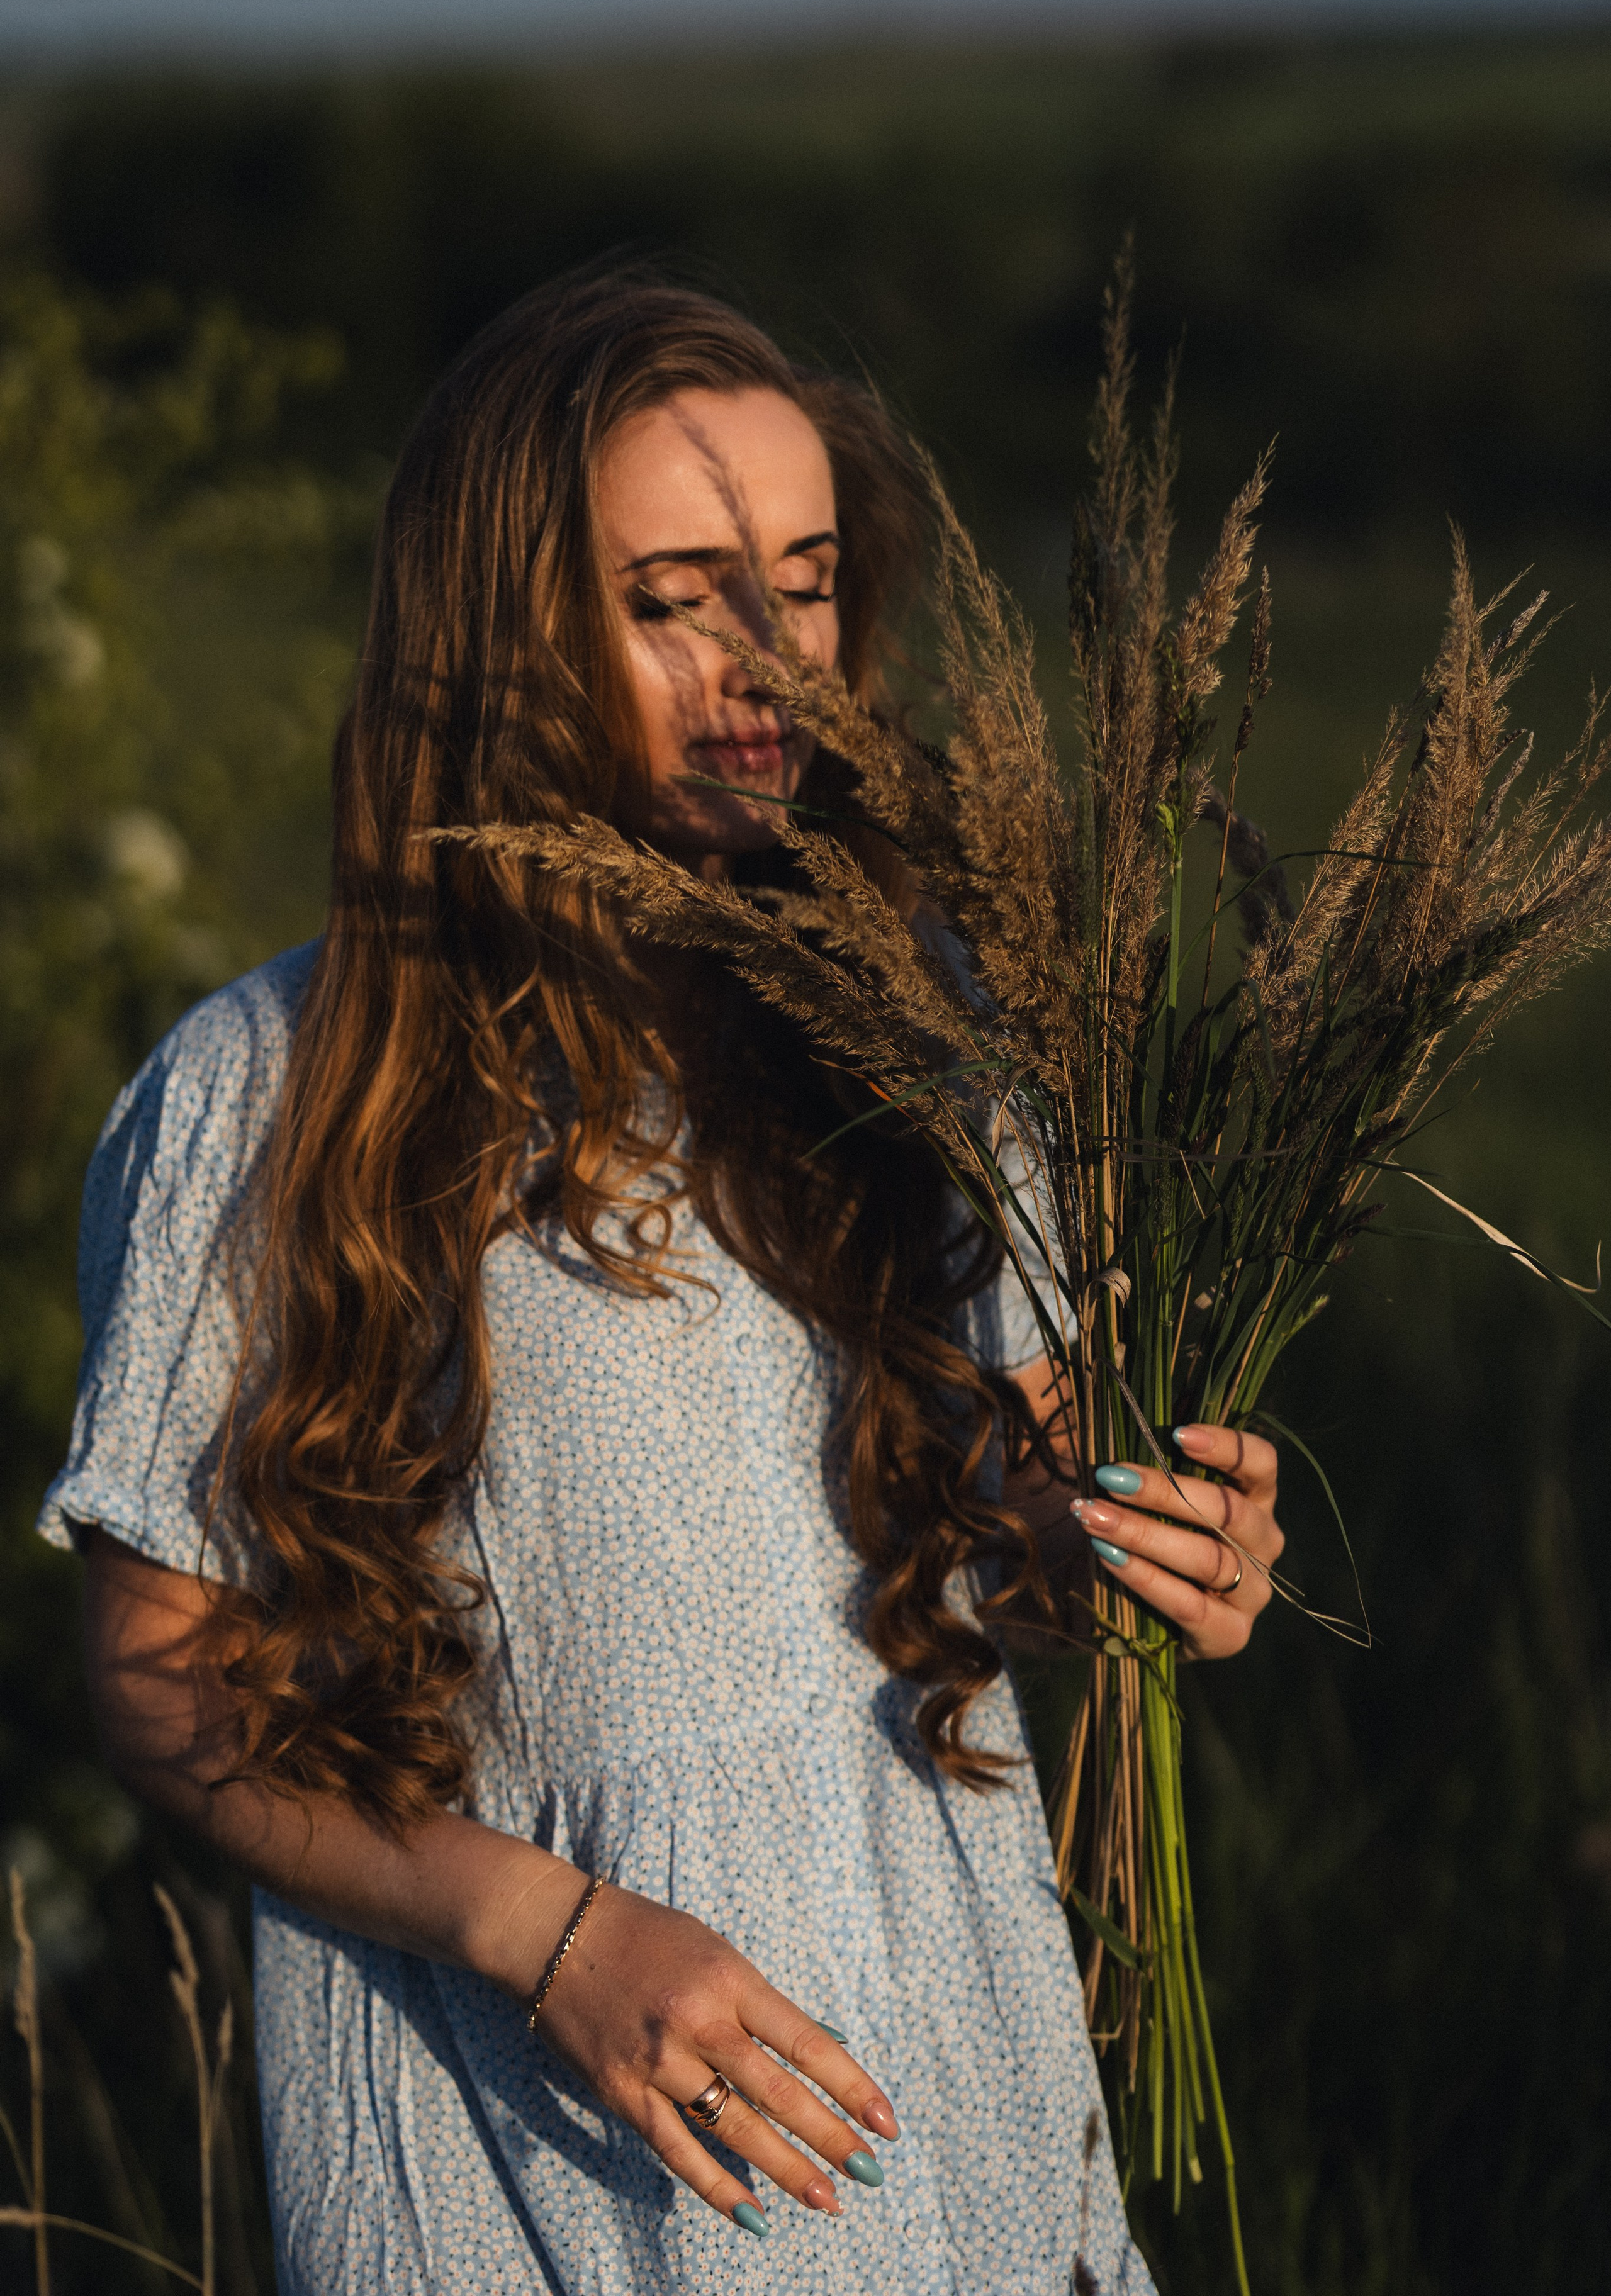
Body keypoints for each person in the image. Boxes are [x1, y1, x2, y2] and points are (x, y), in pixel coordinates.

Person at [42, 271, 1284, 2296]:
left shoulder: (931, 1040)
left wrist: (1146, 1564)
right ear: (501, 631)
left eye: (804, 585)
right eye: (676, 596)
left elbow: (1017, 1536)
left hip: (933, 2087)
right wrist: (546, 1934)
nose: (772, 662)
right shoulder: (272, 1094)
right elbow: (169, 1673)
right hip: (526, 2138)